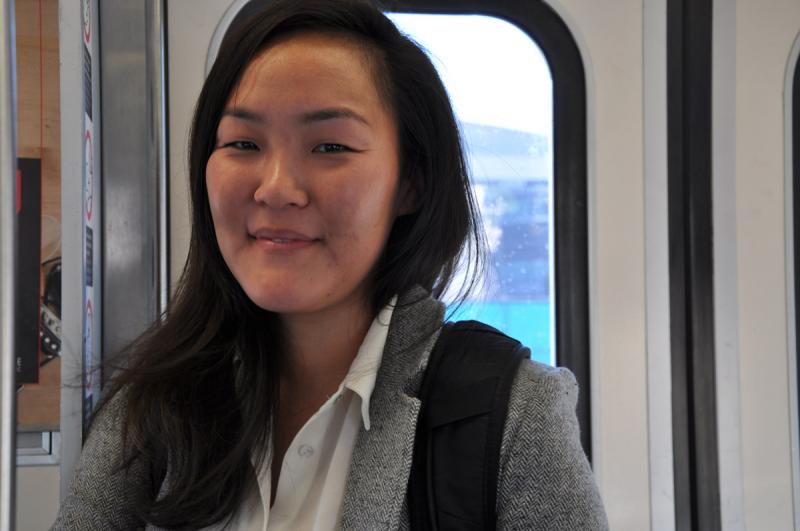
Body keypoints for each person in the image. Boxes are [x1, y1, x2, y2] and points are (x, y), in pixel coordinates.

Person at [52, 0, 608, 529]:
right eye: (243, 143)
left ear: (410, 183)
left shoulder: (515, 418)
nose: (276, 189)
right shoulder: (151, 410)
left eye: (329, 148)